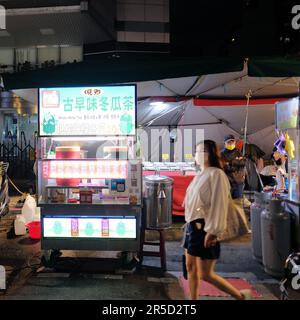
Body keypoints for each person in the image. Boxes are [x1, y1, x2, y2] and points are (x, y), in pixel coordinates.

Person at [183, 140, 252, 300]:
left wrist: (213, 231)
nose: (197, 155)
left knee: (206, 274)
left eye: (201, 151)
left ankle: (240, 296)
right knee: (191, 268)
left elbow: (219, 204)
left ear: (210, 155)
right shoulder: (200, 174)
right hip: (192, 227)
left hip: (205, 228)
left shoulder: (217, 174)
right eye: (197, 152)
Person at [220, 134, 245, 199]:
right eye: (229, 142)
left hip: (239, 181)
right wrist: (236, 162)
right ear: (225, 143)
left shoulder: (238, 152)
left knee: (239, 201)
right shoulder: (221, 154)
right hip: (227, 181)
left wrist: (231, 162)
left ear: (234, 142)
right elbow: (223, 166)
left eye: (232, 141)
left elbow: (243, 163)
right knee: (228, 202)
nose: (231, 143)